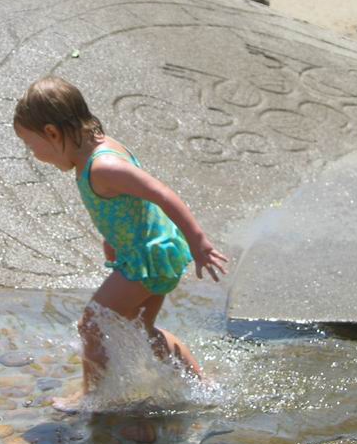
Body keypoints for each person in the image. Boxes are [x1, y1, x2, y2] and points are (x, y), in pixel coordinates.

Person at [13, 76, 228, 411]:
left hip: (147, 259)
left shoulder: (103, 166)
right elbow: (125, 206)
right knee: (142, 330)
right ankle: (202, 386)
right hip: (152, 254)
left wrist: (198, 242)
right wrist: (113, 240)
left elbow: (161, 193)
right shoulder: (95, 152)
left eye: (31, 145)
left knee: (91, 324)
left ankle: (94, 397)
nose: (34, 154)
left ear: (52, 133)